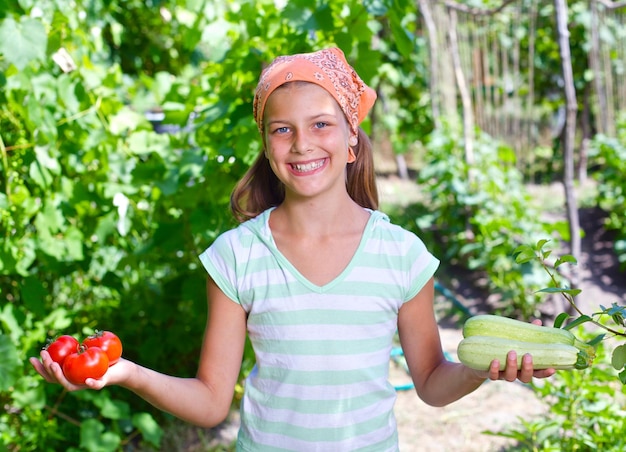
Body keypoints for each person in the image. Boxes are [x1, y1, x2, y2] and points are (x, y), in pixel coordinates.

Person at [31, 47, 555, 451]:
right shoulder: (237, 256)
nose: (302, 143)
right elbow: (213, 402)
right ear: (267, 145)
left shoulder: (402, 255)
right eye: (283, 130)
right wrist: (123, 372)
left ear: (352, 139)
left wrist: (481, 368)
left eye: (321, 125)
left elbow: (432, 385)